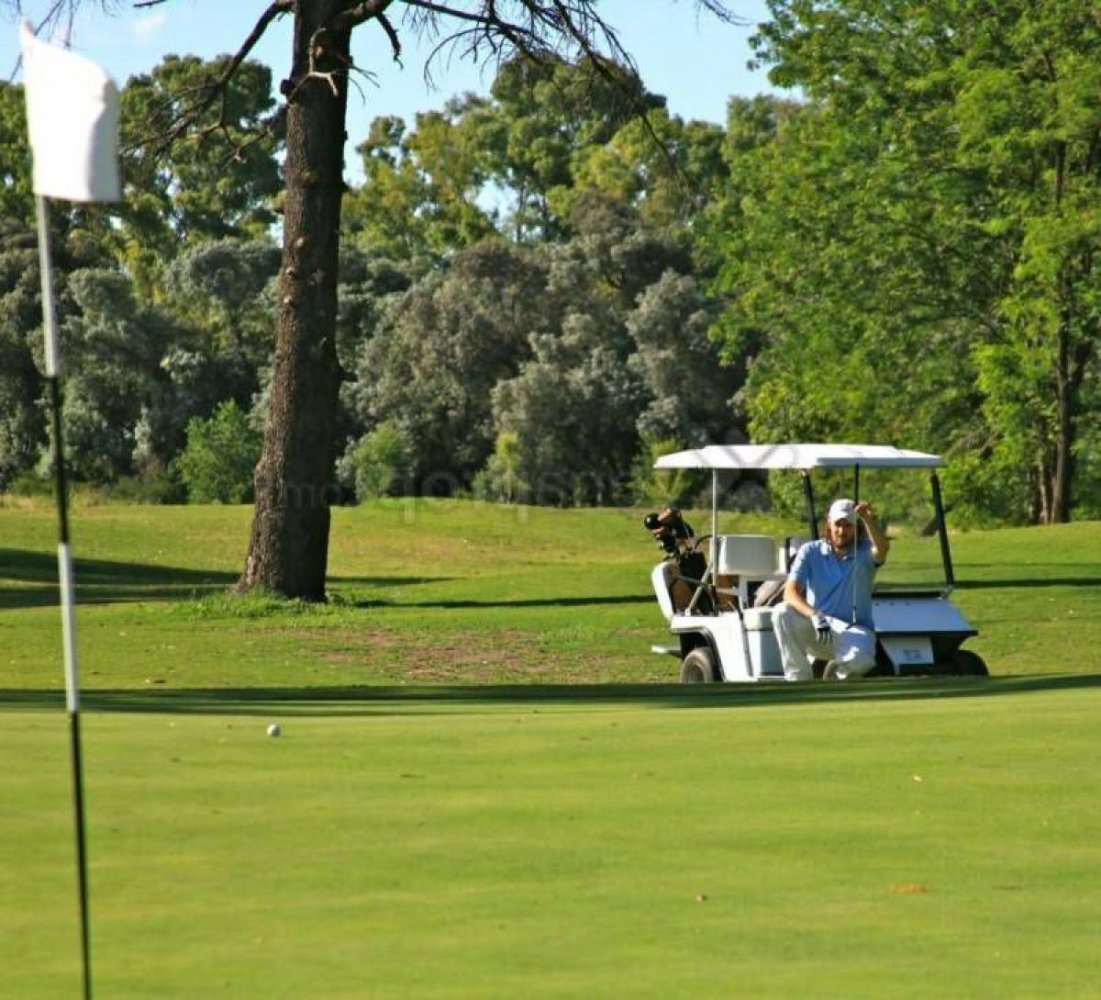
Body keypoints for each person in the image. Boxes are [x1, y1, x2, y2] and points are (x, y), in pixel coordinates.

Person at [773, 498, 890, 682]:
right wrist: (814, 615)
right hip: (817, 627)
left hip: (854, 630)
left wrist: (867, 519)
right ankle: (798, 679)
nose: (842, 531)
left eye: (848, 525)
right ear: (829, 524)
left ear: (856, 527)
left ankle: (834, 675)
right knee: (781, 611)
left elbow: (882, 549)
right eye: (838, 524)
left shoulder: (865, 551)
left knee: (862, 662)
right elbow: (790, 592)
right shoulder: (810, 551)